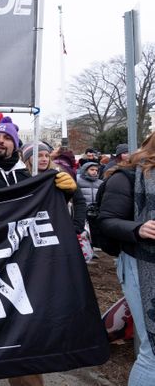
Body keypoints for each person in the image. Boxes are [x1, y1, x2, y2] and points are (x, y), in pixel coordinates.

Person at [0, 125, 77, 386]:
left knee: (25, 343)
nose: (1, 142)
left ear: (15, 145)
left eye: (7, 138)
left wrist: (64, 194)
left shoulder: (29, 175)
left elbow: (47, 214)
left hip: (26, 269)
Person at [98, 133, 155, 385]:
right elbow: (107, 221)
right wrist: (138, 228)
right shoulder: (128, 176)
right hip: (139, 262)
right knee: (153, 351)